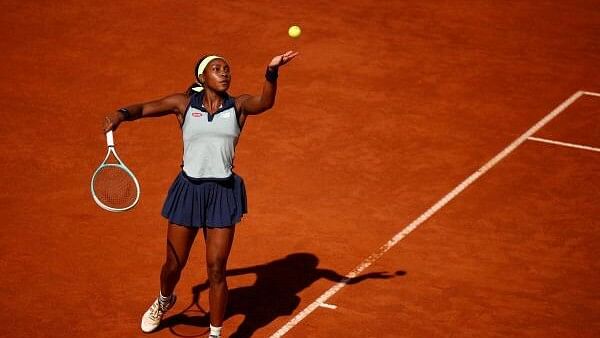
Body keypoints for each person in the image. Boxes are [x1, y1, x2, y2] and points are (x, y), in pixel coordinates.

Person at [102, 51, 299, 337]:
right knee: (173, 264)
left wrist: (271, 71)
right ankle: (164, 300)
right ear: (202, 77)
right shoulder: (183, 104)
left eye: (227, 69)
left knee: (217, 268)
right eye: (217, 69)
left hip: (223, 194)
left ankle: (215, 333)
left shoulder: (239, 105)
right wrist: (120, 114)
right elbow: (145, 108)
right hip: (188, 191)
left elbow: (265, 102)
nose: (224, 73)